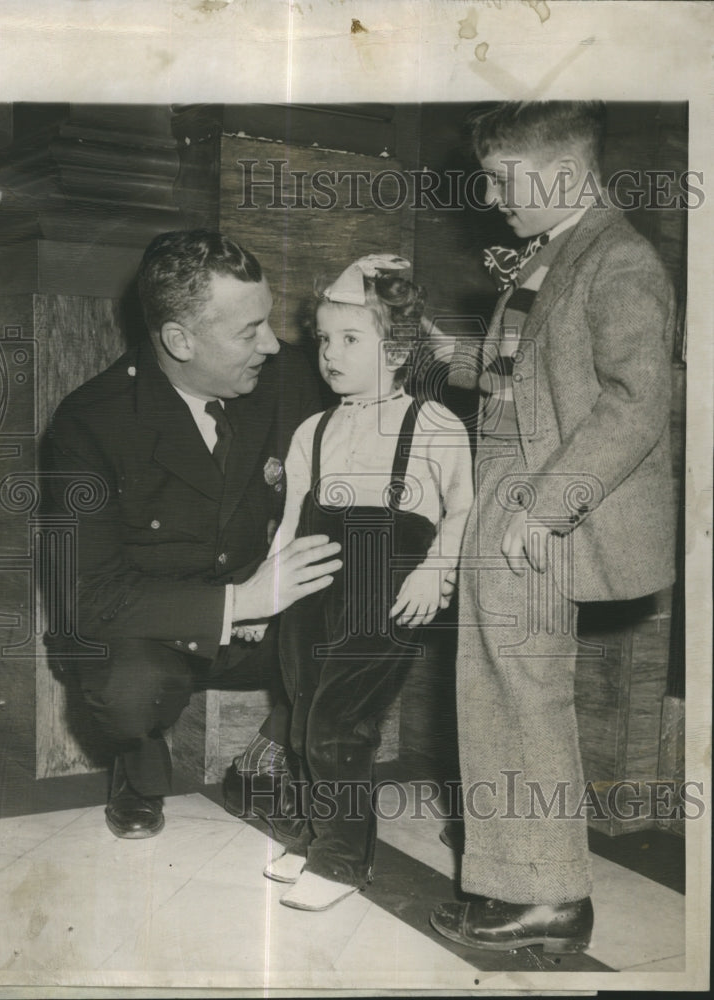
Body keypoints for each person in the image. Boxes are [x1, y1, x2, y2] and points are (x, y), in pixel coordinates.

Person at [428, 102, 676, 952]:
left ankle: (549, 896)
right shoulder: (557, 251)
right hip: (509, 492)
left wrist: (547, 503)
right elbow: (527, 378)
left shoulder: (619, 258)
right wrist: (443, 353)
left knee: (522, 693)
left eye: (504, 180)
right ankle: (518, 876)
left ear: (564, 173)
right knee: (498, 692)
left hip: (539, 502)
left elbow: (636, 399)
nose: (492, 198)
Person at [47, 230, 342, 839]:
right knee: (126, 693)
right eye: (249, 331)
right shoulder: (90, 423)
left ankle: (264, 757)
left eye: (268, 322)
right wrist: (243, 601)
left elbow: (389, 398)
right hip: (157, 631)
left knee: (381, 600)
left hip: (268, 621)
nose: (271, 344)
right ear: (180, 340)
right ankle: (137, 765)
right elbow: (86, 598)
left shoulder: (286, 375)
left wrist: (376, 306)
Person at [253, 255, 473, 910]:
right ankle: (318, 835)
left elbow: (464, 508)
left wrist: (436, 570)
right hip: (311, 591)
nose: (330, 353)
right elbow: (290, 522)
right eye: (324, 338)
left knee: (338, 723)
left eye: (350, 339)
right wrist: (265, 595)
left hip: (386, 593)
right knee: (302, 720)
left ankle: (343, 861)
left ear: (398, 349)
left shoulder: (432, 424)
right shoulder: (313, 430)